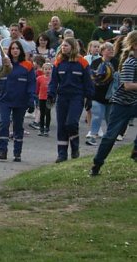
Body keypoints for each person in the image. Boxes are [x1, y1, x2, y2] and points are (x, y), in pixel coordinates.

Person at [90, 30, 137, 175]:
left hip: (134, 102)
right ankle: (97, 165)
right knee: (111, 136)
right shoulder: (130, 62)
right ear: (135, 45)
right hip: (122, 104)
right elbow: (127, 85)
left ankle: (136, 150)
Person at [48, 37, 93, 163]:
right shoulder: (58, 62)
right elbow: (53, 81)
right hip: (62, 97)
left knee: (71, 123)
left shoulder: (82, 62)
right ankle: (62, 154)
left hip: (76, 97)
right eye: (62, 46)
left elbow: (88, 82)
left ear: (73, 47)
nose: (63, 48)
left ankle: (75, 147)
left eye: (66, 45)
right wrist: (51, 94)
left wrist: (89, 98)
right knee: (62, 126)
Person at [0, 41, 35, 162]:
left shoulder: (28, 65)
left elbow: (31, 83)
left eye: (17, 48)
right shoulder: (4, 65)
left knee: (18, 126)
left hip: (21, 101)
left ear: (21, 50)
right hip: (5, 100)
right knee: (4, 123)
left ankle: (17, 153)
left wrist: (31, 99)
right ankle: (2, 151)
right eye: (12, 48)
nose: (15, 50)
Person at [86, 42, 116, 146]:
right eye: (109, 49)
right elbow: (92, 77)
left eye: (112, 49)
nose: (111, 51)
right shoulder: (96, 62)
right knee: (97, 115)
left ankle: (111, 138)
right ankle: (93, 136)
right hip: (97, 94)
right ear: (102, 51)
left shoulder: (116, 62)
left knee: (110, 118)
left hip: (111, 95)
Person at [37, 62, 53, 136]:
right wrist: (36, 94)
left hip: (49, 98)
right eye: (46, 69)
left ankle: (47, 128)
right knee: (42, 113)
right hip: (41, 98)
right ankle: (41, 128)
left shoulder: (53, 79)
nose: (47, 71)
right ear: (43, 70)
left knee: (48, 113)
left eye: (49, 69)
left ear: (51, 70)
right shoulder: (39, 78)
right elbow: (37, 88)